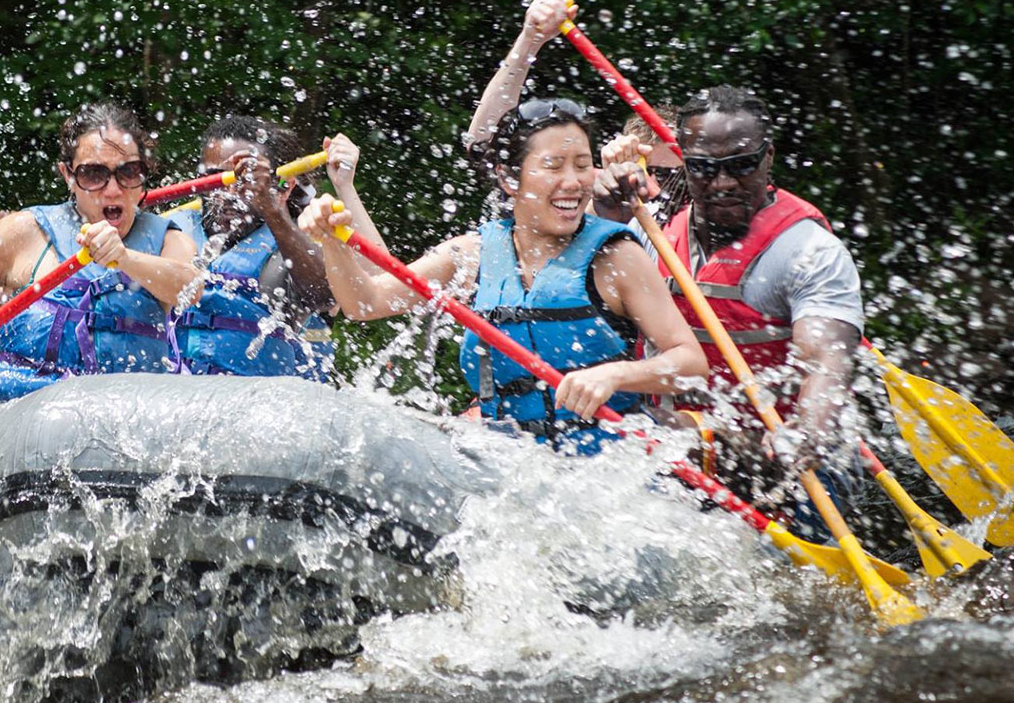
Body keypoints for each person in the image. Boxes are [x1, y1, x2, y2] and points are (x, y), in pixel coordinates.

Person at [298, 96, 708, 454]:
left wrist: (616, 375)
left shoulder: (616, 256)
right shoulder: (472, 253)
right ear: (509, 178)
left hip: (607, 467)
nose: (573, 182)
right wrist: (333, 241)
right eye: (554, 166)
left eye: (583, 166)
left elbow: (690, 364)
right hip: (507, 462)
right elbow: (366, 303)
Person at [591, 85, 867, 533]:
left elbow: (824, 364)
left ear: (768, 158)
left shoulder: (809, 251)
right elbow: (577, 297)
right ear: (685, 163)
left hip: (788, 457)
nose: (722, 183)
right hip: (684, 438)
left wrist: (807, 431)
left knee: (673, 437)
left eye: (741, 165)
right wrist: (603, 217)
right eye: (703, 168)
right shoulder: (647, 234)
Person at [0, 102, 199, 403]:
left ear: (145, 174)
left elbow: (191, 288)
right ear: (68, 175)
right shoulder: (25, 231)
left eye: (129, 172)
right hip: (24, 411)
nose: (113, 189)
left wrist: (125, 259)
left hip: (123, 414)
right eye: (93, 174)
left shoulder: (169, 240)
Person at [170, 116, 341, 379]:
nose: (228, 194)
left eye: (245, 182)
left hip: (258, 398)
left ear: (280, 187)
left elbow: (326, 296)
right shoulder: (172, 232)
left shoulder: (293, 246)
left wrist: (270, 209)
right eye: (214, 179)